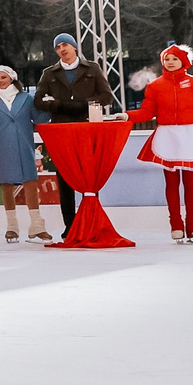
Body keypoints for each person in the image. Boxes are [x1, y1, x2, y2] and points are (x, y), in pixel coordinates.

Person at [129, 41, 193, 243]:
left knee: (191, 185)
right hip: (168, 137)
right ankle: (176, 225)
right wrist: (126, 116)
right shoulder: (155, 86)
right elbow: (147, 112)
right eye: (167, 59)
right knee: (171, 184)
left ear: (184, 61)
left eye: (174, 59)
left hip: (191, 137)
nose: (170, 62)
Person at [32, 32, 118, 237]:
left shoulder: (92, 69)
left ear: (75, 47)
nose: (62, 49)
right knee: (64, 179)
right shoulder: (49, 73)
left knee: (89, 177)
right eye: (58, 46)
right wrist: (61, 105)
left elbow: (106, 96)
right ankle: (69, 226)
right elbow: (38, 100)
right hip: (61, 131)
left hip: (86, 127)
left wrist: (80, 105)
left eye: (65, 45)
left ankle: (91, 221)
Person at [0, 64, 49, 242]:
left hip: (24, 146)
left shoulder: (26, 98)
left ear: (12, 77)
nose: (0, 81)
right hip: (1, 147)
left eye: (3, 77)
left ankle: (37, 225)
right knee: (7, 186)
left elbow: (39, 119)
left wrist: (47, 105)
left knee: (30, 183)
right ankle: (12, 226)